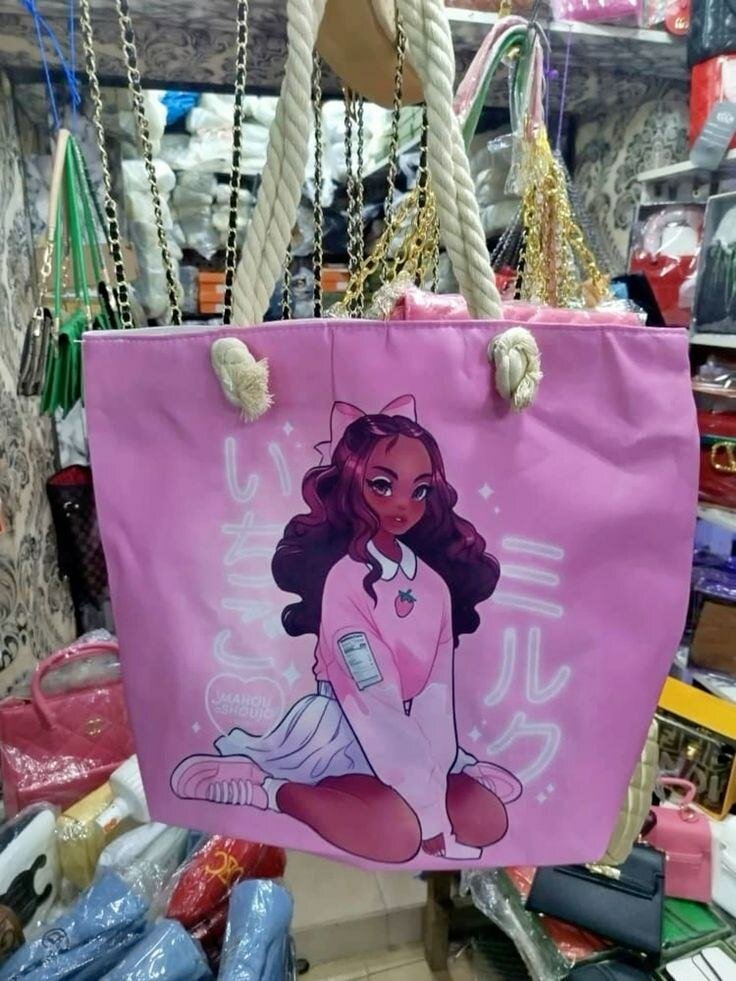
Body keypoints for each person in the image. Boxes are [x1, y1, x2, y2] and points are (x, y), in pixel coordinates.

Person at [172, 395, 522, 863]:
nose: (403, 504)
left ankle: (412, 801)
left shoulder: (433, 586)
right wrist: (430, 815)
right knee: (400, 838)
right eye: (382, 485)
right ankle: (267, 789)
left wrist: (435, 779)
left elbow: (436, 697)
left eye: (419, 490)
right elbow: (371, 700)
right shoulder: (344, 583)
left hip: (410, 732)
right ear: (352, 484)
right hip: (343, 728)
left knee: (487, 822)